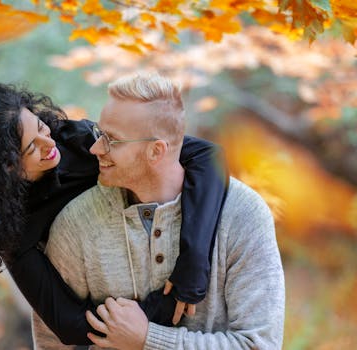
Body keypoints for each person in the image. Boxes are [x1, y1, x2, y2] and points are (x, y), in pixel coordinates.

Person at [0, 83, 228, 345]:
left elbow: (206, 155)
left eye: (41, 127)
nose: (50, 144)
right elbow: (68, 324)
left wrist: (193, 261)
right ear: (7, 168)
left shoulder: (78, 140)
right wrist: (152, 318)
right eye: (32, 147)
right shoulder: (13, 228)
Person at [34, 73, 285, 349]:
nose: (95, 148)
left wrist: (148, 340)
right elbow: (52, 346)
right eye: (99, 133)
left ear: (156, 151)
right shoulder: (76, 224)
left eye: (112, 140)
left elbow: (260, 344)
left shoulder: (243, 215)